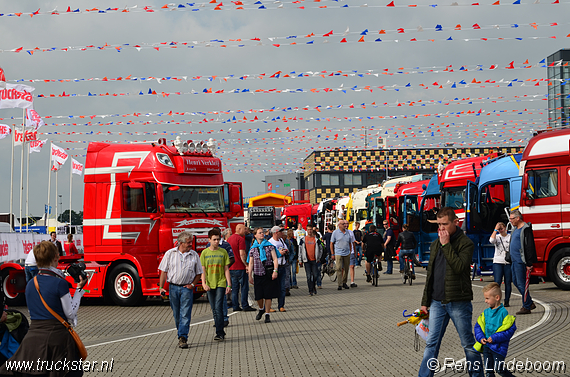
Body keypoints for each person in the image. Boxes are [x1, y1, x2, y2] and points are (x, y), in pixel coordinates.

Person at [1, 241, 86, 377]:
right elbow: (70, 314)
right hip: (58, 340)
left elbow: (32, 312)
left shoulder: (30, 284)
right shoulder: (60, 283)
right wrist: (79, 290)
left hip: (32, 341)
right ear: (55, 258)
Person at [418, 207, 483, 377]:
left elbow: (460, 268)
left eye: (444, 224)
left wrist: (446, 245)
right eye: (438, 224)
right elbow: (430, 275)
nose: (441, 229)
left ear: (456, 222)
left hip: (458, 302)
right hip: (437, 302)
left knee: (468, 344)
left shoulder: (465, 243)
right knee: (431, 343)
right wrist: (425, 302)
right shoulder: (434, 244)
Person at [159, 231, 203, 349]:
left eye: (191, 242)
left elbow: (199, 273)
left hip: (186, 288)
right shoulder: (170, 253)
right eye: (188, 242)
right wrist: (161, 287)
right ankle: (181, 332)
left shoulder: (194, 255)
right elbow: (163, 271)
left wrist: (193, 285)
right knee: (176, 313)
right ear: (181, 243)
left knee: (185, 313)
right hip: (173, 287)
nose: (191, 245)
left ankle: (183, 337)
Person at [473, 282, 516, 377]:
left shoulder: (503, 313)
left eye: (487, 298)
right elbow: (478, 327)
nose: (485, 301)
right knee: (488, 371)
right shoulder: (485, 312)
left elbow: (508, 331)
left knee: (499, 369)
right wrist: (480, 338)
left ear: (497, 298)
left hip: (498, 347)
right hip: (486, 346)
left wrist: (495, 338)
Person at [201, 228, 232, 341]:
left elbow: (226, 269)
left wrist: (229, 284)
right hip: (210, 283)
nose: (216, 242)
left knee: (218, 307)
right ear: (209, 239)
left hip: (220, 283)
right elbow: (203, 270)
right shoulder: (205, 253)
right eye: (214, 239)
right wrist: (203, 283)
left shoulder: (223, 252)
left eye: (218, 239)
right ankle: (220, 330)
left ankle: (219, 332)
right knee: (214, 308)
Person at [247, 227, 280, 323]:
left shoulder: (270, 246)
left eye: (263, 232)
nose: (262, 234)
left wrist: (275, 271)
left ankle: (267, 314)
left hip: (268, 273)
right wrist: (250, 275)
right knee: (258, 296)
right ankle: (261, 309)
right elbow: (251, 263)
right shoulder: (253, 249)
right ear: (255, 235)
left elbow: (275, 259)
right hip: (257, 274)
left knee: (268, 295)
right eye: (260, 233)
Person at [508, 210, 537, 315]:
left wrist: (529, 263)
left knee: (521, 283)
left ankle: (526, 306)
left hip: (520, 261)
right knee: (515, 281)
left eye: (512, 219)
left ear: (518, 218)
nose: (510, 221)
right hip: (514, 261)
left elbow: (529, 247)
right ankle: (529, 302)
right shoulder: (515, 229)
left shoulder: (526, 230)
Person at [228, 224, 256, 312]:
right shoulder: (240, 239)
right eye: (244, 229)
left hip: (231, 267)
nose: (246, 231)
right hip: (240, 266)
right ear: (239, 229)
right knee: (244, 287)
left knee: (235, 288)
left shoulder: (229, 239)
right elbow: (242, 254)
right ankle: (245, 305)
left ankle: (235, 306)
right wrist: (246, 265)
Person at [489, 222, 512, 307]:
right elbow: (491, 240)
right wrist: (495, 230)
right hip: (498, 262)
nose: (501, 231)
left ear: (505, 228)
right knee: (497, 282)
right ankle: (496, 301)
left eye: (502, 229)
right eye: (499, 229)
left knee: (508, 282)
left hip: (507, 262)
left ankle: (507, 301)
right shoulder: (497, 237)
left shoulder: (510, 237)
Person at [268, 226, 290, 312]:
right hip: (274, 267)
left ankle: (281, 305)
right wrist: (279, 253)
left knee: (282, 288)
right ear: (276, 233)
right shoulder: (270, 242)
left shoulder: (281, 241)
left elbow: (286, 248)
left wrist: (285, 251)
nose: (282, 233)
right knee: (272, 287)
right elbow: (269, 256)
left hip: (282, 266)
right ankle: (269, 306)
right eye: (280, 232)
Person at [298, 226, 323, 296]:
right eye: (308, 230)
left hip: (315, 260)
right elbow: (300, 250)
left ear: (313, 230)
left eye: (311, 229)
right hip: (307, 260)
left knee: (315, 275)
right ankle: (310, 290)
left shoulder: (316, 239)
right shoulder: (303, 240)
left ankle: (313, 286)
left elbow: (321, 249)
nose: (310, 231)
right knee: (308, 276)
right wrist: (300, 260)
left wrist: (319, 257)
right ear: (306, 230)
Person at [330, 220, 354, 291]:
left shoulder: (347, 232)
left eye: (345, 224)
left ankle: (344, 282)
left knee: (346, 269)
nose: (345, 225)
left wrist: (350, 251)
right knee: (339, 268)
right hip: (338, 253)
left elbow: (350, 242)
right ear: (339, 225)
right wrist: (332, 253)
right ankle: (339, 284)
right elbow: (331, 243)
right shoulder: (335, 233)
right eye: (343, 224)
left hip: (347, 253)